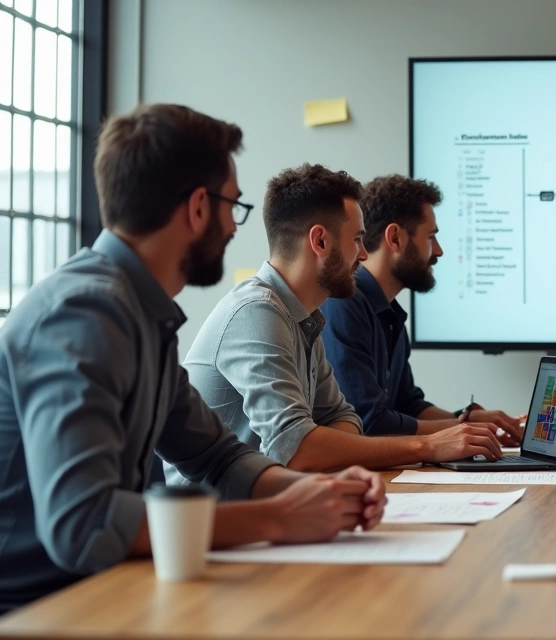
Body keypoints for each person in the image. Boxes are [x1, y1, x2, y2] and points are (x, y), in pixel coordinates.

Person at [0, 105, 386, 613]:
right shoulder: (83, 314)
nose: (233, 227)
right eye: (233, 208)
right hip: (43, 609)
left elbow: (216, 456)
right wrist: (279, 517)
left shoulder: (140, 311)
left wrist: (324, 493)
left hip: (111, 588)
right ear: (199, 207)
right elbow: (85, 523)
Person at [167, 164, 505, 481]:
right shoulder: (256, 312)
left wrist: (322, 445)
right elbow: (296, 448)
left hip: (274, 506)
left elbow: (344, 419)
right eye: (357, 239)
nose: (362, 254)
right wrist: (428, 446)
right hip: (212, 524)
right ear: (320, 241)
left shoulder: (306, 316)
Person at [320, 175, 523, 440]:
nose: (438, 251)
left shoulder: (389, 312)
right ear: (395, 238)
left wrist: (463, 419)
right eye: (431, 237)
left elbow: (408, 405)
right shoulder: (345, 304)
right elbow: (367, 422)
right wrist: (462, 431)